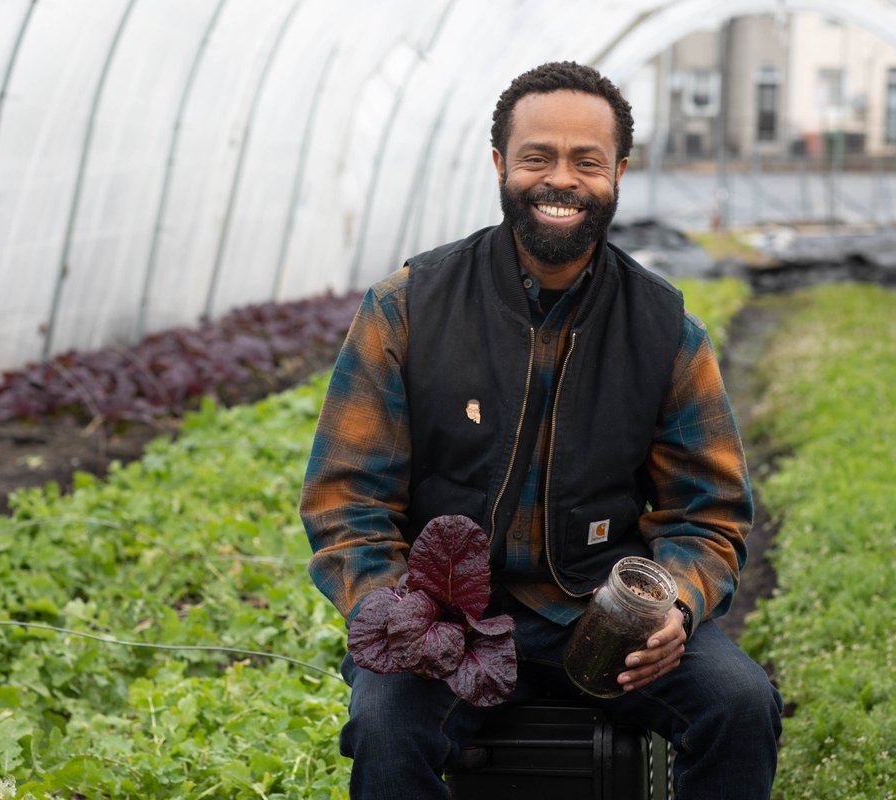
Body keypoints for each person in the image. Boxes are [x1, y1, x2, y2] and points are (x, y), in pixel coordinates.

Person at [300, 60, 782, 800]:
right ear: (501, 164)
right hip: (445, 617)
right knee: (386, 725)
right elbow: (346, 500)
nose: (562, 179)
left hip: (601, 616)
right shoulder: (408, 309)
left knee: (741, 705)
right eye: (538, 157)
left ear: (618, 172)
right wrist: (396, 612)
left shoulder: (664, 330)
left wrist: (676, 605)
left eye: (587, 161)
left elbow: (708, 513)